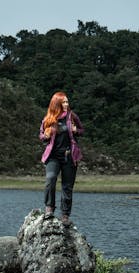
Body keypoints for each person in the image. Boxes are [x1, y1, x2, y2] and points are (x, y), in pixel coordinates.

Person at [39, 91, 84, 225]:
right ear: (57, 103)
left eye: (67, 101)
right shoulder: (49, 118)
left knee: (67, 186)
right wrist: (45, 136)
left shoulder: (72, 116)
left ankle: (65, 216)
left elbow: (82, 130)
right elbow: (41, 135)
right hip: (53, 156)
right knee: (50, 179)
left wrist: (77, 131)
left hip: (69, 155)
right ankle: (49, 209)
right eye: (63, 102)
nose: (66, 104)